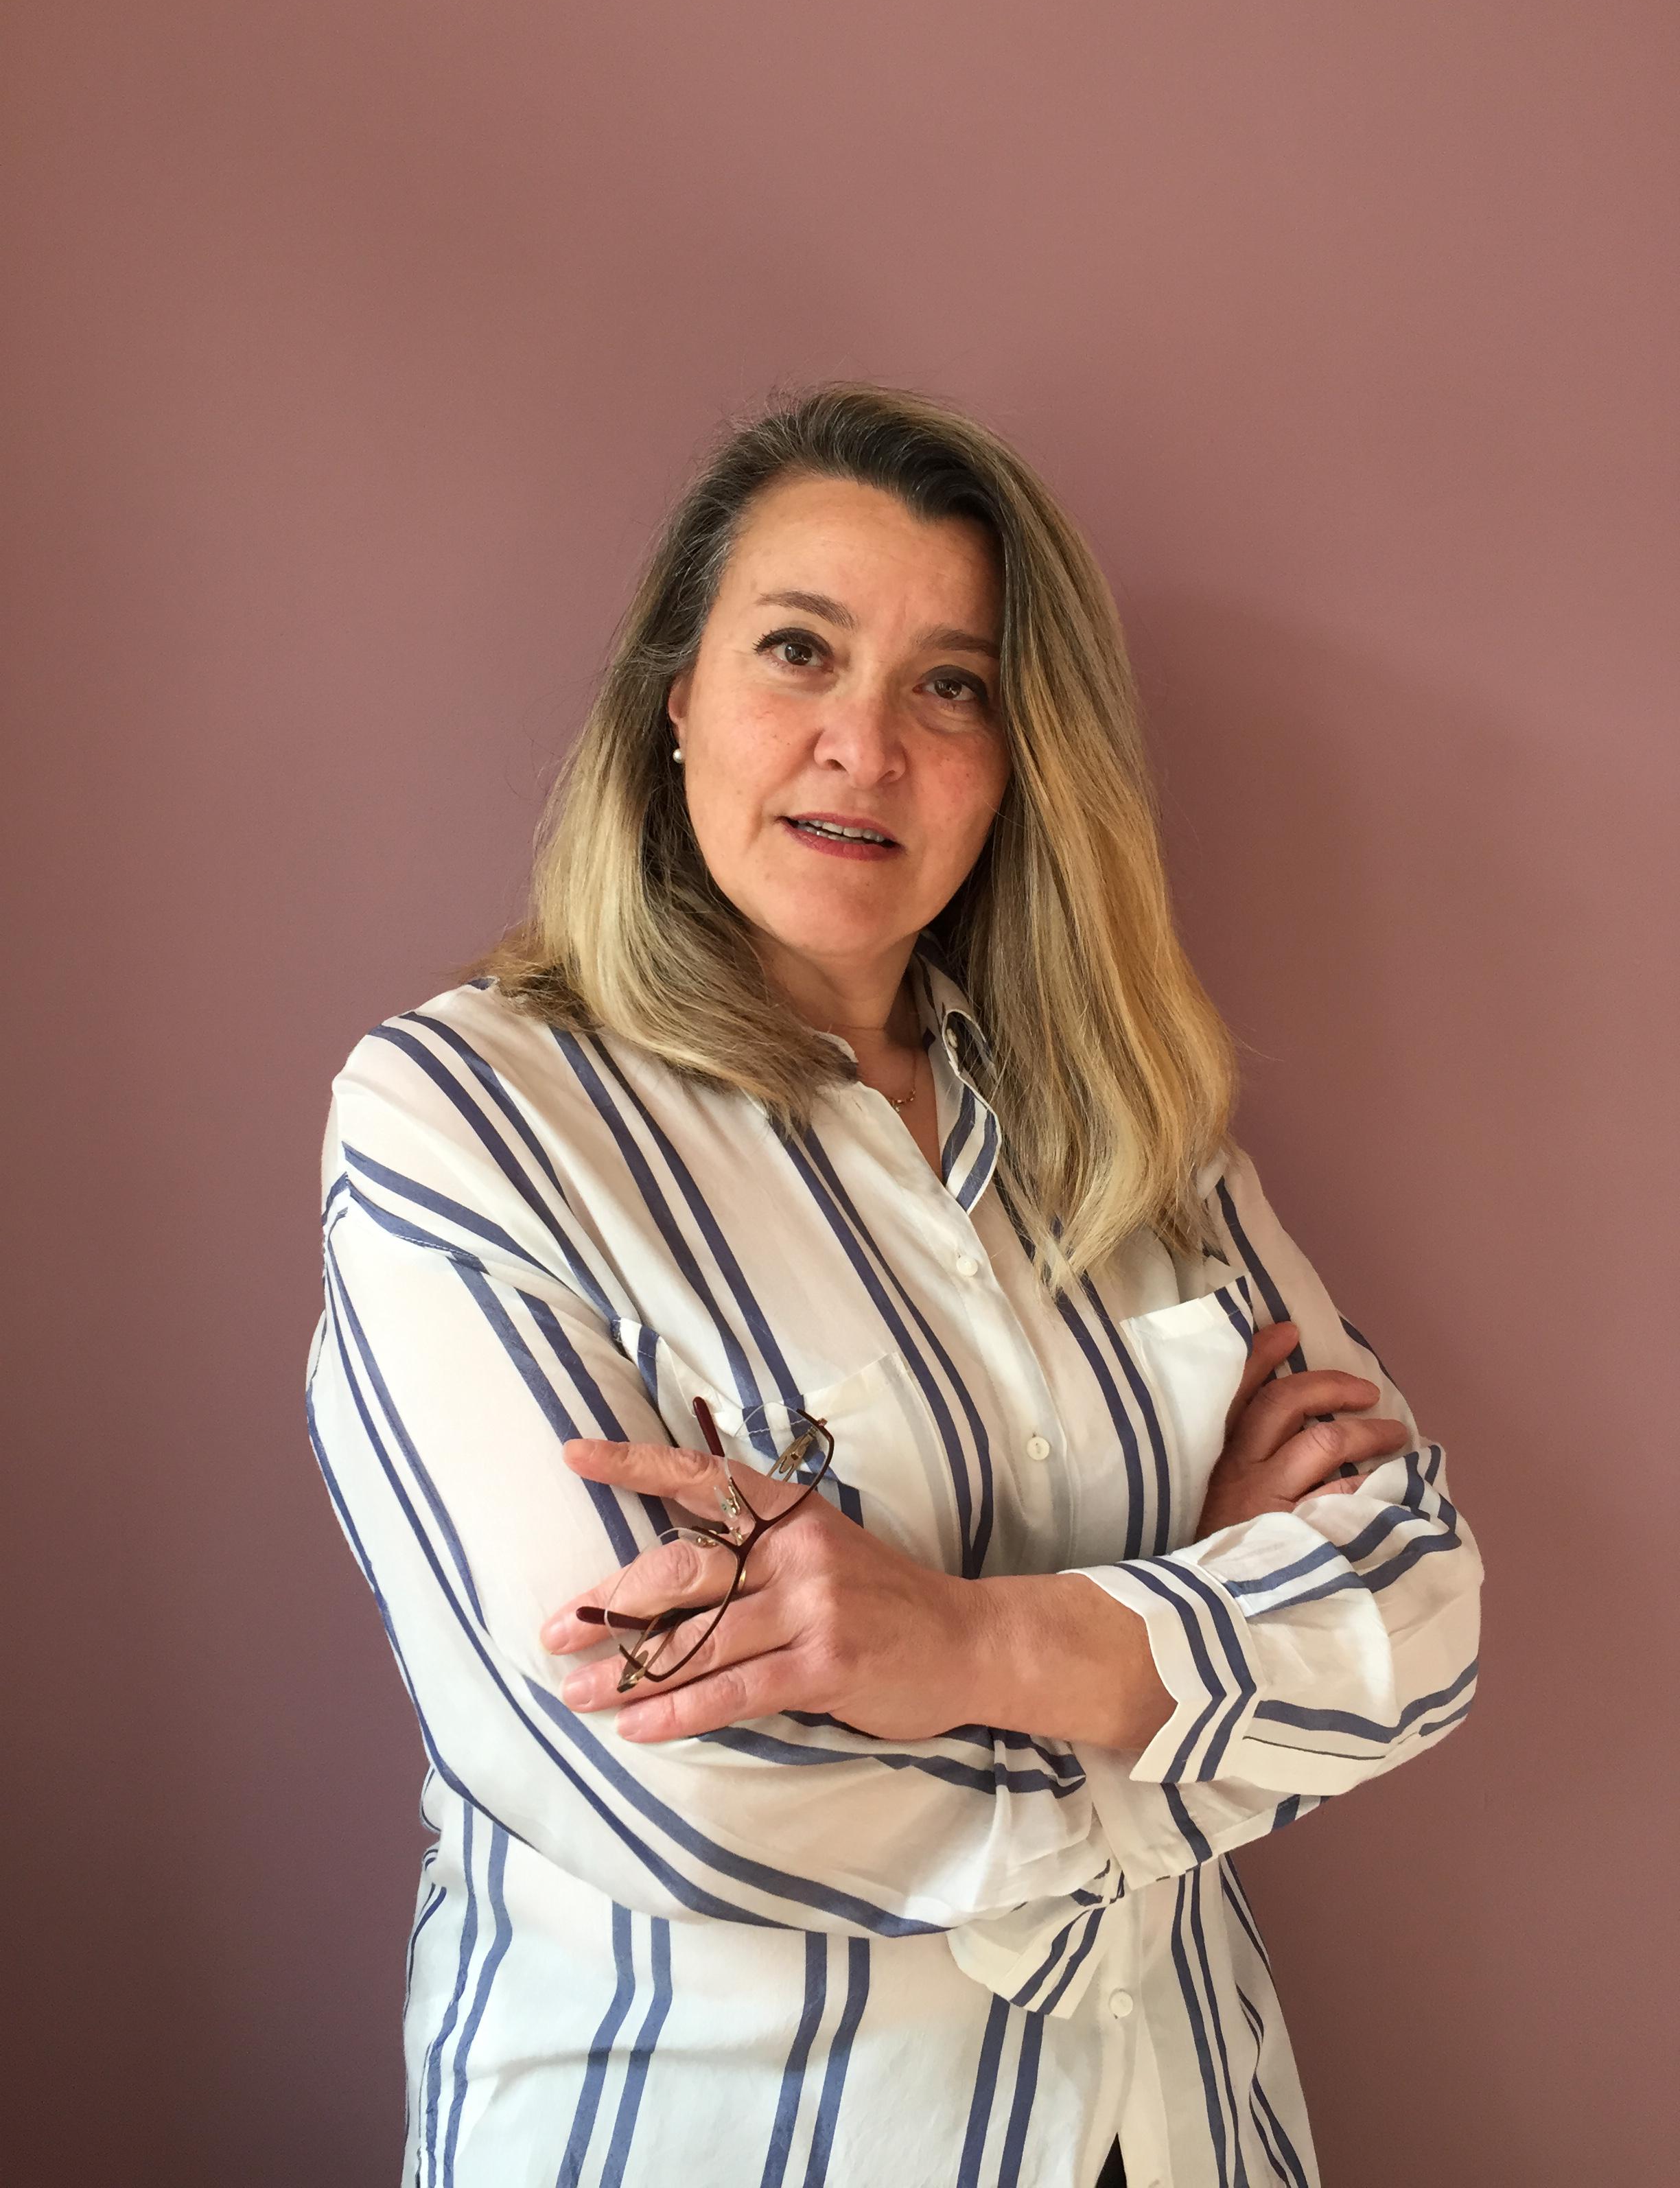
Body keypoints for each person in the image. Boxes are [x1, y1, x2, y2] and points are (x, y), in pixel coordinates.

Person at [305, 383, 1481, 2188]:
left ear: (1018, 760)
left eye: (953, 686)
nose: (864, 745)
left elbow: (1418, 1603)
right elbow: (667, 1780)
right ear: (675, 699)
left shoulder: (1128, 1130)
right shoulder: (469, 1117)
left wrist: (959, 1646)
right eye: (799, 650)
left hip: (1181, 2125)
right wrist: (1198, 1650)